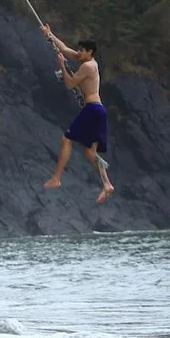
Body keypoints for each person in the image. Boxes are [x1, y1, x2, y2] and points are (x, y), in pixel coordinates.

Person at [41, 24, 114, 204]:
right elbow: (65, 49)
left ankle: (57, 178)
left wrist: (62, 67)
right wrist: (50, 34)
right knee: (90, 152)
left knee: (67, 139)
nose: (79, 53)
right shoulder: (85, 61)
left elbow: (70, 83)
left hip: (93, 110)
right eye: (79, 50)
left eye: (82, 51)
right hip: (97, 110)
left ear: (90, 52)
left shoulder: (89, 66)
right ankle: (107, 184)